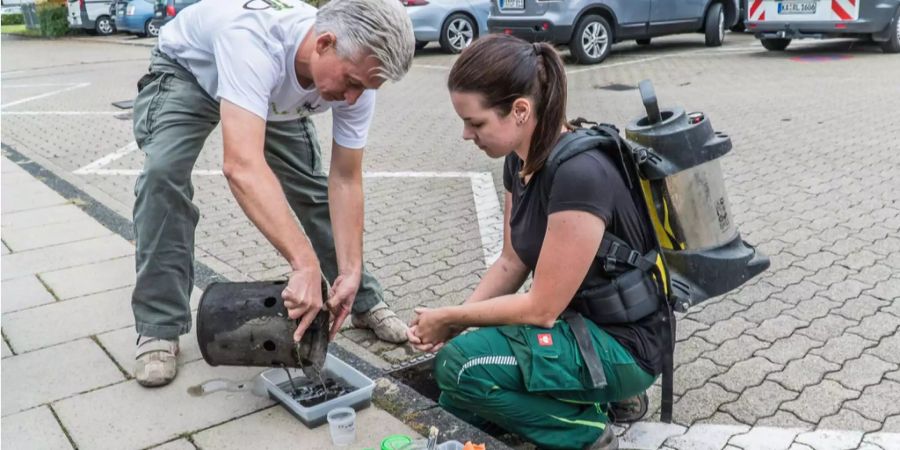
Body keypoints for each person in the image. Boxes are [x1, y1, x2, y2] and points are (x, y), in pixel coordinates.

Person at [131, 0, 414, 387]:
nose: (352, 99)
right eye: (351, 83)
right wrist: (303, 263)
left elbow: (345, 179)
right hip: (193, 72)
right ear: (324, 43)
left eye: (365, 88)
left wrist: (350, 269)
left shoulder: (357, 75)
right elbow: (241, 166)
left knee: (313, 190)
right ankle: (159, 325)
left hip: (270, 94)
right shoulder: (253, 42)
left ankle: (360, 298)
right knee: (162, 178)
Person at [407, 34, 667, 450]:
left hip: (624, 345)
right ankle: (599, 397)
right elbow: (512, 262)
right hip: (577, 326)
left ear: (520, 110)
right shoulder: (521, 161)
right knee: (456, 397)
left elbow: (541, 309)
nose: (465, 135)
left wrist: (453, 316)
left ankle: (587, 430)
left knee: (461, 366)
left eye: (475, 123)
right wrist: (457, 321)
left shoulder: (579, 173)